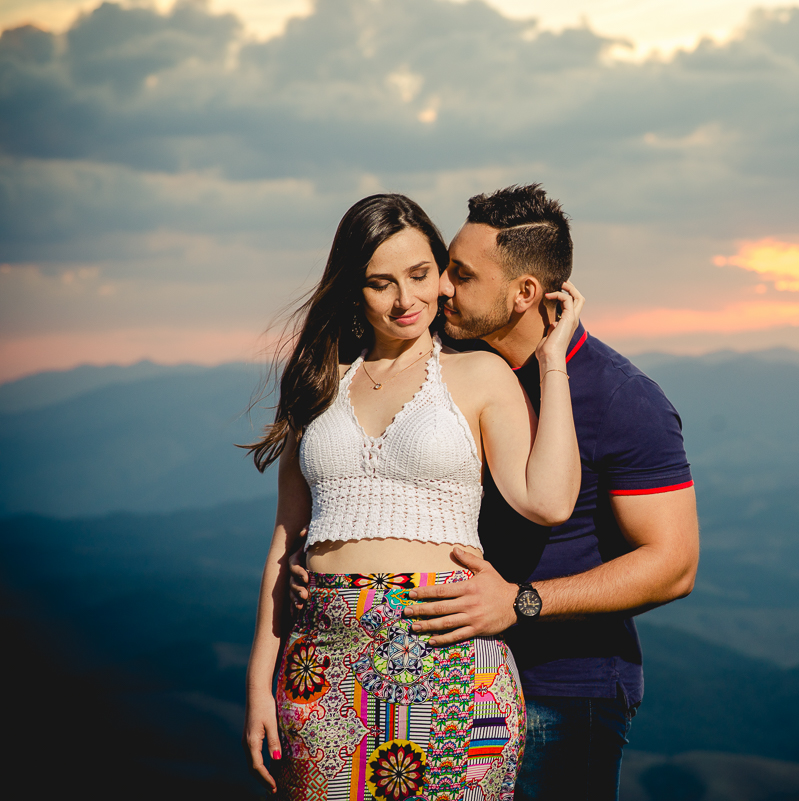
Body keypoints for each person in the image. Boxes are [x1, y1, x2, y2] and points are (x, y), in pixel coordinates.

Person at [291, 184, 700, 800]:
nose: (442, 289)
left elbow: (673, 566)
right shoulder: (446, 365)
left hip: (564, 691)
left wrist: (522, 602)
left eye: (460, 274)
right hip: (431, 661)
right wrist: (320, 559)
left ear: (525, 294)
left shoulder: (622, 398)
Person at [241, 193, 585, 801]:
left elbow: (548, 500)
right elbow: (286, 537)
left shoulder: (479, 375)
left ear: (442, 273)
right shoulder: (320, 382)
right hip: (323, 659)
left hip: (448, 656)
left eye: (421, 275)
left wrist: (552, 361)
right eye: (381, 283)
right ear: (354, 289)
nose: (406, 300)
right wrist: (258, 682)